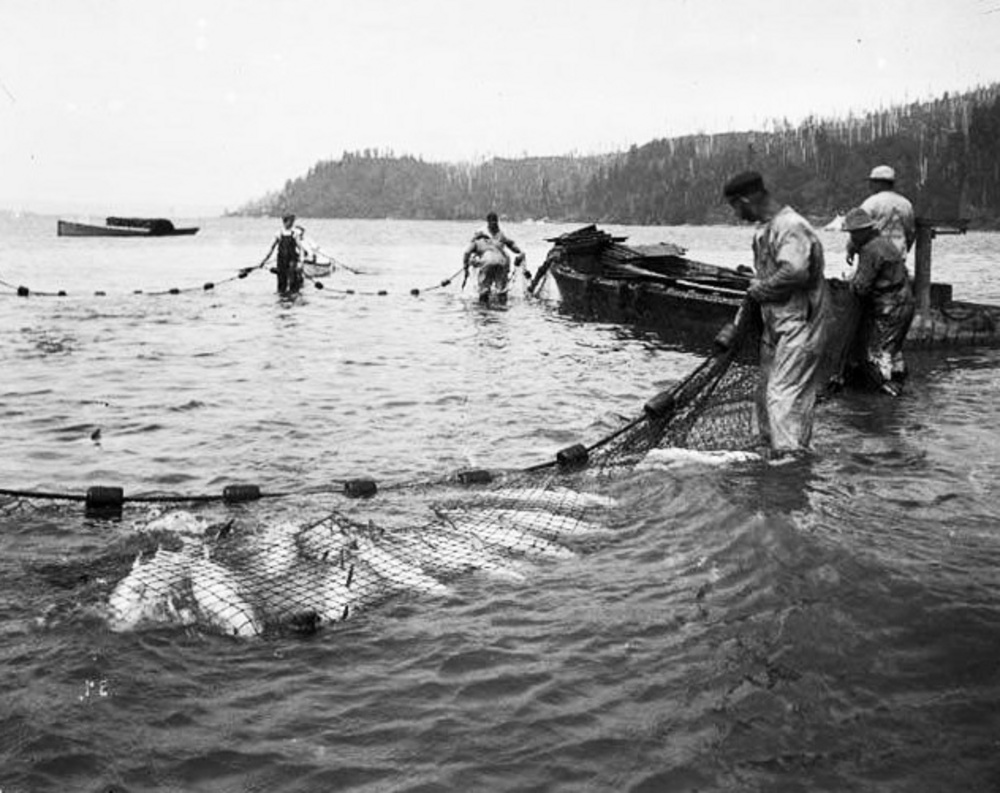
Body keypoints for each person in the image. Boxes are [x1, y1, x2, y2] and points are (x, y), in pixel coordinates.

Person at [723, 170, 830, 455]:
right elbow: (775, 271)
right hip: (776, 325)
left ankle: (789, 467)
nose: (736, 213)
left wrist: (760, 288)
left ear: (746, 200)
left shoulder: (790, 226)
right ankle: (773, 457)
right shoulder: (767, 229)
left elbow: (795, 271)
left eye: (735, 206)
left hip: (801, 324)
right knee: (766, 393)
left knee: (783, 398)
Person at [842, 207, 915, 396]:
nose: (852, 237)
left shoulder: (871, 250)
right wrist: (852, 248)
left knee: (880, 351)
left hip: (890, 307)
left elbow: (862, 286)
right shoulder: (883, 243)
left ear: (862, 232)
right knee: (894, 347)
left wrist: (848, 285)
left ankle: (887, 388)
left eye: (853, 233)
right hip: (905, 301)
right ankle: (899, 382)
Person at [850, 165, 916, 264]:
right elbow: (910, 232)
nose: (870, 185)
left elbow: (858, 230)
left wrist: (851, 250)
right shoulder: (906, 204)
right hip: (898, 257)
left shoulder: (870, 203)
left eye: (872, 182)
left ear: (879, 183)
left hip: (873, 257)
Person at [462, 212, 526, 304]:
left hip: (488, 262)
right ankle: (501, 309)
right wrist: (521, 252)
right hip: (502, 262)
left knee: (484, 290)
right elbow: (511, 245)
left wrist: (466, 267)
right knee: (501, 290)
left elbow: (467, 252)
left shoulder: (477, 240)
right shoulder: (500, 236)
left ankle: (484, 310)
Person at [260, 213, 304, 294]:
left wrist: (301, 262)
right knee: (281, 283)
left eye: (293, 222)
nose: (291, 224)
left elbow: (301, 249)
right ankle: (282, 297)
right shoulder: (278, 233)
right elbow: (271, 249)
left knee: (292, 280)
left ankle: (293, 294)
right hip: (281, 260)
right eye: (290, 222)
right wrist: (264, 261)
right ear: (285, 222)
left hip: (292, 260)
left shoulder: (295, 233)